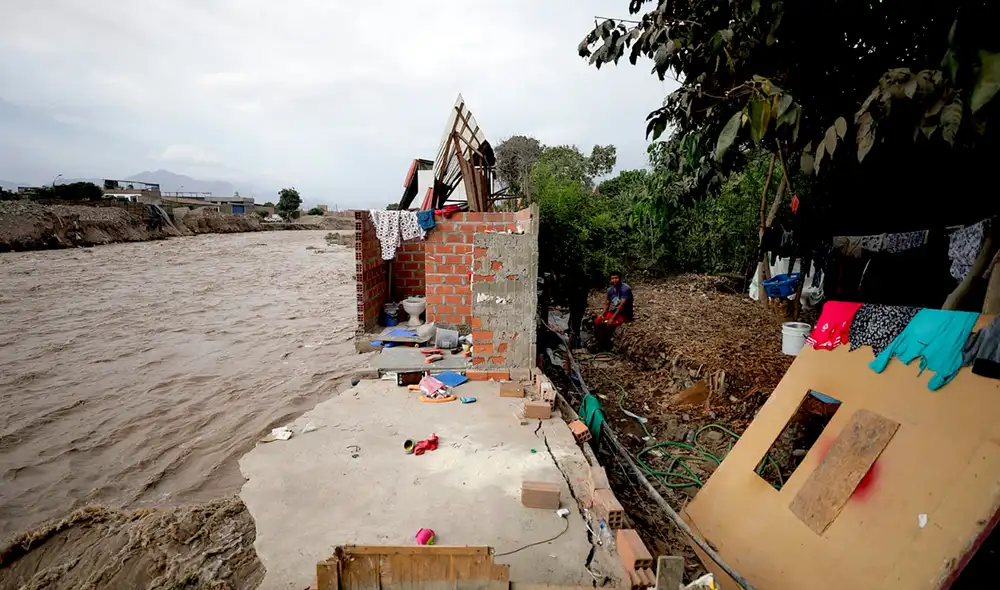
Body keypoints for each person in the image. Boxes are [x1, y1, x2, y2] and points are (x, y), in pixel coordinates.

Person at [594, 272, 633, 349]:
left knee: (609, 324)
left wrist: (612, 318)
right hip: (613, 311)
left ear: (620, 279)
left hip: (624, 314)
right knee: (598, 321)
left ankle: (607, 345)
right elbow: (607, 304)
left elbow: (621, 306)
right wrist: (603, 315)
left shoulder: (625, 289)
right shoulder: (610, 290)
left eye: (616, 278)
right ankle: (599, 342)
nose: (614, 280)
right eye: (612, 278)